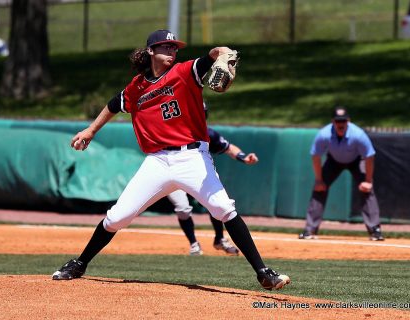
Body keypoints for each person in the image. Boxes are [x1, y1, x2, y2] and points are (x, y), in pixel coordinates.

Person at [52, 29, 290, 291]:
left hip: (192, 157)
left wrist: (222, 53)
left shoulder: (185, 72)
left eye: (174, 47)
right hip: (157, 162)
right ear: (151, 51)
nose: (172, 51)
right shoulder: (137, 86)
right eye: (166, 46)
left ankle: (263, 272)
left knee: (223, 208)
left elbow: (212, 55)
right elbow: (113, 104)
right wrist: (90, 131)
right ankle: (80, 263)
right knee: (117, 218)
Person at [170, 126, 259, 256]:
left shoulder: (205, 132)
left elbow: (228, 147)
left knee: (216, 202)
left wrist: (244, 157)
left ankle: (219, 239)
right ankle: (194, 243)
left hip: (194, 175)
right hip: (169, 171)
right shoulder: (171, 128)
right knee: (182, 208)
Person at [299, 107, 384, 241]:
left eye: (343, 121)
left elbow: (369, 157)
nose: (341, 124)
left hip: (357, 160)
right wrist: (319, 179)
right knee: (319, 188)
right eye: (338, 121)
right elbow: (315, 156)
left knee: (367, 189)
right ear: (333, 121)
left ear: (348, 121)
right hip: (333, 161)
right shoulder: (324, 134)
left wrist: (368, 180)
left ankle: (375, 230)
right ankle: (310, 230)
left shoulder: (358, 134)